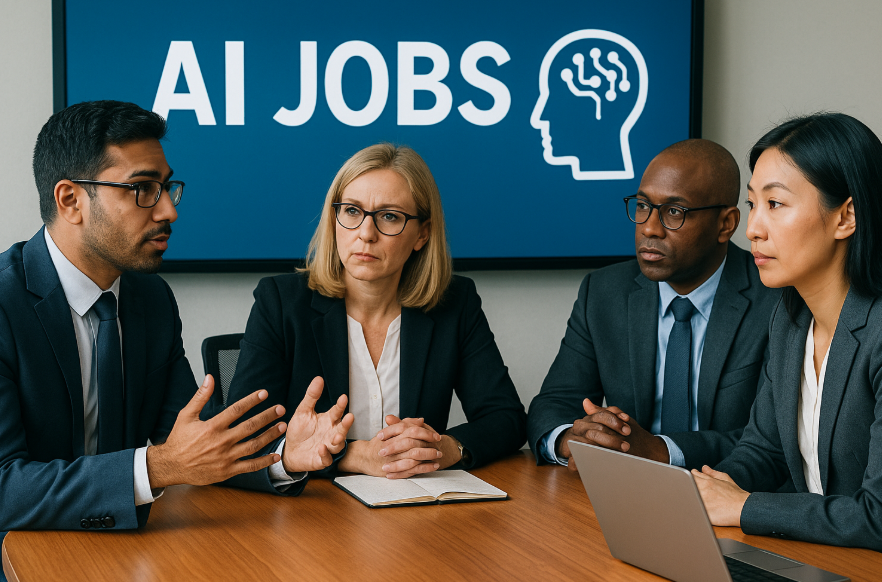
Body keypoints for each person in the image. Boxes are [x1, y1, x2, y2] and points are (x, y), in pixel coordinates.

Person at [0, 101, 353, 557]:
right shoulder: (6, 305)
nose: (168, 210)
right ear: (71, 200)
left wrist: (282, 457)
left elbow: (191, 438)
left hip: (130, 552)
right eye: (143, 189)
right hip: (22, 557)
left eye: (167, 187)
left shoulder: (151, 298)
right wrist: (156, 468)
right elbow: (5, 486)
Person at [222, 142, 526, 491]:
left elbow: (506, 418)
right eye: (352, 211)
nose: (366, 234)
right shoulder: (281, 302)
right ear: (334, 218)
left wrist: (445, 448)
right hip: (314, 509)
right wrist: (352, 456)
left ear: (422, 234)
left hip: (416, 507)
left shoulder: (455, 303)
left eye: (389, 217)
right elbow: (238, 441)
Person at [527, 139, 781, 471]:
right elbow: (554, 403)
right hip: (624, 487)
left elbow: (775, 441)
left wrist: (661, 450)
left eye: (674, 212)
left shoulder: (776, 299)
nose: (649, 228)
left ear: (726, 224)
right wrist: (572, 439)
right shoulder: (603, 292)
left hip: (727, 489)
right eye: (643, 206)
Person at [693, 113, 882, 551]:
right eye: (752, 204)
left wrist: (742, 507)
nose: (753, 229)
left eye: (775, 204)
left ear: (846, 217)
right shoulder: (791, 318)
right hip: (825, 559)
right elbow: (765, 451)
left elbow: (877, 516)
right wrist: (703, 492)